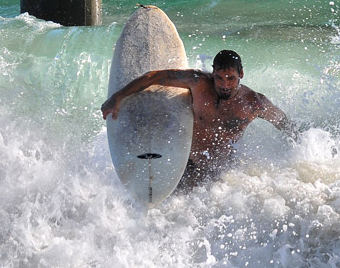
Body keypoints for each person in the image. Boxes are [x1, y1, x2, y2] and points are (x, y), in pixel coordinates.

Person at [101, 49, 297, 190]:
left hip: (222, 173)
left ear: (241, 75)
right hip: (185, 163)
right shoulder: (197, 83)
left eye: (231, 78)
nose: (224, 84)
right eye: (219, 77)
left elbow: (284, 124)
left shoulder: (254, 104)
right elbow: (152, 77)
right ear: (213, 73)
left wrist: (303, 146)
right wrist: (117, 97)